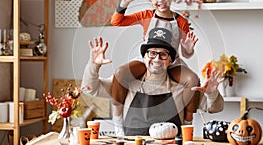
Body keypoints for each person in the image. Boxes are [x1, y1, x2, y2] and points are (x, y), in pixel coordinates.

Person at [81, 27, 224, 136]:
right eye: (152, 53)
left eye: (163, 55)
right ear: (144, 57)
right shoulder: (127, 83)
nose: (156, 59)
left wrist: (212, 94)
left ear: (170, 61)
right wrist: (94, 65)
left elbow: (215, 108)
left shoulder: (180, 88)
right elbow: (89, 89)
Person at [110, 0, 200, 134]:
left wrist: (188, 49)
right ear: (150, 1)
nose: (161, 1)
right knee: (120, 73)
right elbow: (117, 22)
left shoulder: (180, 21)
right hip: (148, 60)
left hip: (172, 61)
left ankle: (187, 123)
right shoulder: (145, 15)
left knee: (193, 80)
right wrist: (124, 3)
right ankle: (117, 120)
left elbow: (186, 54)